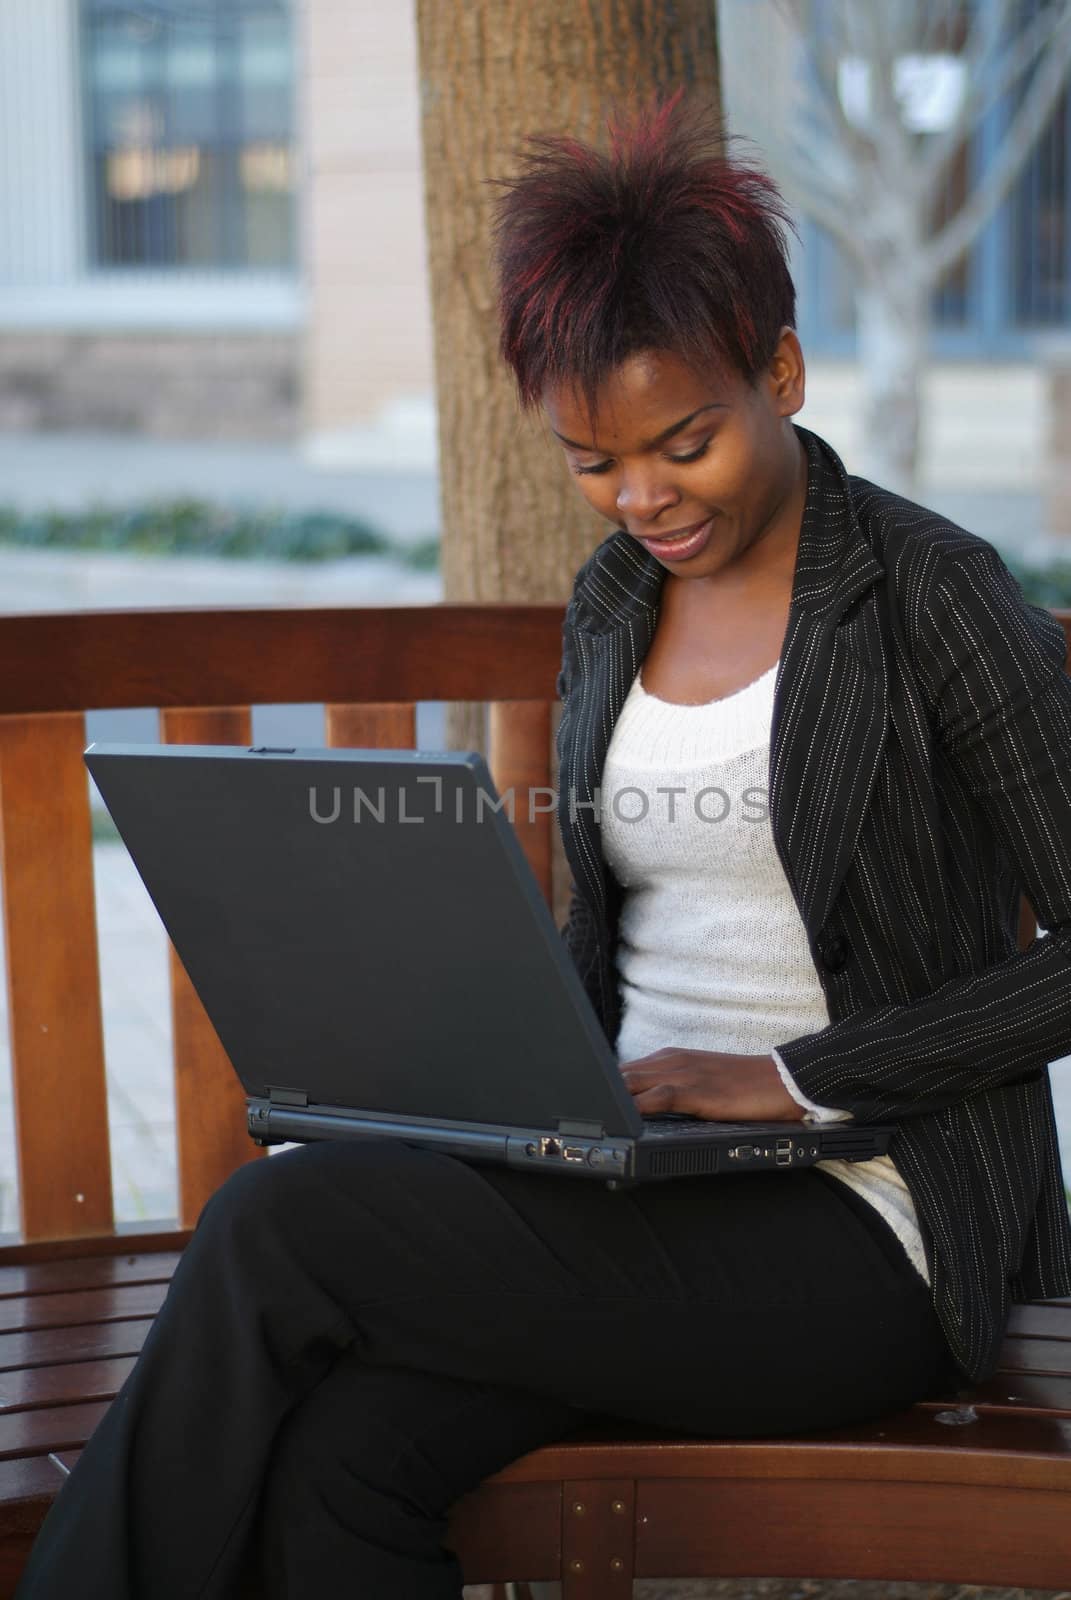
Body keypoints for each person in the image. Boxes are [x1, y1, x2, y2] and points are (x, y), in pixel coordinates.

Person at [16, 91, 1071, 1600]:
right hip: (635, 1188)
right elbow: (605, 933)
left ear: (780, 367)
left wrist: (787, 1077)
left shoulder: (929, 595)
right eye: (596, 459)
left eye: (684, 442)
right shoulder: (612, 604)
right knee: (349, 1463)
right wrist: (478, 1084)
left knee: (277, 1230)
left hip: (868, 1227)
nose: (643, 497)